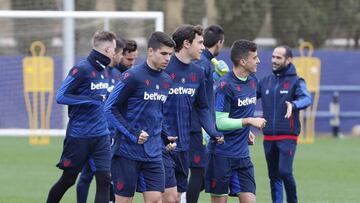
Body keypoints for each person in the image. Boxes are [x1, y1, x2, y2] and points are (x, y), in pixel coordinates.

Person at [104, 31, 176, 203]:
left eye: (170, 55)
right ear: (151, 51)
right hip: (127, 152)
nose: (167, 58)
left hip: (153, 153)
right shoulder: (132, 76)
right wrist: (132, 133)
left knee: (155, 199)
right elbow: (109, 108)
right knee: (124, 200)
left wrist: (165, 137)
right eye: (163, 53)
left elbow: (157, 114)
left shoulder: (166, 80)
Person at [46, 30, 117, 203]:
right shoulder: (82, 69)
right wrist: (89, 100)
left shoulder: (105, 71)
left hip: (101, 135)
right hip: (79, 136)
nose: (115, 53)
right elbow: (61, 96)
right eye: (114, 49)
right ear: (107, 49)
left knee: (105, 179)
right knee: (68, 180)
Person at [162, 24, 224, 203]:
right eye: (200, 43)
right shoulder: (164, 70)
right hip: (162, 144)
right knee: (166, 196)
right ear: (187, 44)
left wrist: (213, 132)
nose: (203, 47)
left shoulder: (197, 72)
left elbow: (202, 107)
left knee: (178, 196)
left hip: (184, 143)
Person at [205, 39, 267, 203]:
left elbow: (239, 114)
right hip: (221, 154)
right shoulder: (225, 86)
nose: (258, 61)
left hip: (242, 155)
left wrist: (246, 131)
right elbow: (220, 122)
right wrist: (248, 121)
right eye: (255, 58)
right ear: (243, 61)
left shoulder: (253, 81)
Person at [257, 45, 312, 203]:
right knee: (273, 176)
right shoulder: (265, 81)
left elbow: (307, 99)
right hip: (268, 138)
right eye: (273, 56)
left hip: (287, 136)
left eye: (278, 57)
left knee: (285, 172)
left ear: (289, 60)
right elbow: (248, 97)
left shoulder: (297, 81)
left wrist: (293, 105)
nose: (274, 60)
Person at [76, 38, 125, 203]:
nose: (119, 57)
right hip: (95, 132)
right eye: (119, 53)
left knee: (106, 177)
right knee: (86, 176)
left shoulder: (119, 75)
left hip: (111, 134)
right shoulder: (94, 72)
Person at [186, 24, 226, 203]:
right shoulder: (203, 63)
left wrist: (214, 78)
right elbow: (195, 95)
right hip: (198, 127)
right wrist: (205, 127)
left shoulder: (204, 63)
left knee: (199, 173)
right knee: (198, 173)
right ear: (219, 43)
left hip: (198, 125)